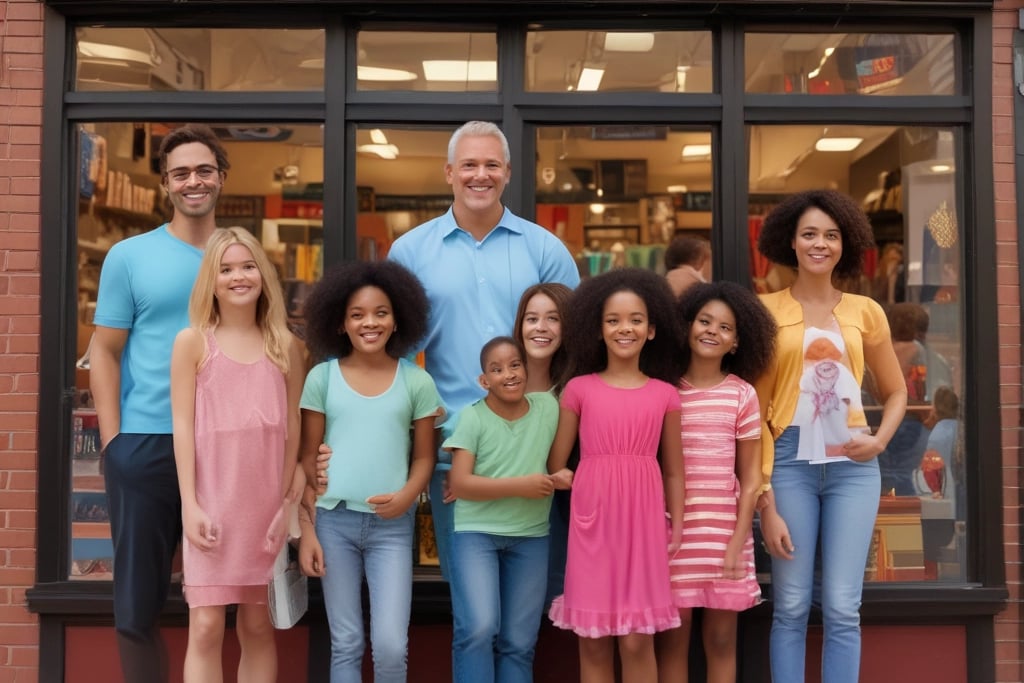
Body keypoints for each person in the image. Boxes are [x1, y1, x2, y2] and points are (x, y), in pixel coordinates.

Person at [387, 120, 580, 580]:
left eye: (492, 165)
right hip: (456, 449)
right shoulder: (410, 252)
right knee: (471, 603)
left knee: (537, 600)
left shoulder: (545, 249)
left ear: (508, 173)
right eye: (469, 165)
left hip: (538, 448)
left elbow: (576, 344)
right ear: (449, 172)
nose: (480, 175)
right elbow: (392, 354)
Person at [90, 123, 229, 682]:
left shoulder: (238, 255)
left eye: (204, 170)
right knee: (137, 604)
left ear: (221, 177)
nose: (194, 182)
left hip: (223, 444)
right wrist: (114, 444)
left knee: (222, 600)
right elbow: (104, 352)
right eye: (181, 173)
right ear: (166, 184)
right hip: (146, 443)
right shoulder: (129, 256)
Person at [753, 189, 907, 683]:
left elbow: (897, 391)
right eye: (810, 234)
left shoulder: (866, 311)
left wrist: (879, 441)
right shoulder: (764, 311)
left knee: (842, 607)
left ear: (845, 243)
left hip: (853, 465)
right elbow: (755, 412)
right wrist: (765, 500)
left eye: (831, 235)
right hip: (788, 462)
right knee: (791, 605)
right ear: (791, 242)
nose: (820, 244)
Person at [296, 260, 444, 683]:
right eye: (357, 314)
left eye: (381, 313)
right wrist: (307, 530)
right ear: (340, 323)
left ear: (398, 320)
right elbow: (307, 459)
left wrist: (406, 497)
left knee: (392, 645)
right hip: (333, 523)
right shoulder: (322, 378)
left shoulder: (417, 381)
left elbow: (424, 457)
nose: (370, 323)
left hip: (392, 528)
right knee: (346, 642)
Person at [169, 227, 305, 683]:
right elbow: (182, 428)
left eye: (248, 266)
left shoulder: (285, 345)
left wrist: (284, 507)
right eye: (226, 269)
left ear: (263, 275)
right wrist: (189, 505)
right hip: (211, 507)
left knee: (258, 625)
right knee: (206, 627)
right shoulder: (192, 343)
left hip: (264, 510)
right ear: (211, 280)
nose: (238, 277)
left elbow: (293, 430)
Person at [547, 268, 686, 682]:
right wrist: (566, 478)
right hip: (593, 523)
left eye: (635, 320)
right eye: (613, 320)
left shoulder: (665, 394)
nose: (625, 328)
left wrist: (677, 522)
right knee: (593, 638)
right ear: (598, 329)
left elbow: (674, 470)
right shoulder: (579, 389)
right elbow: (557, 461)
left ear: (652, 330)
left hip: (645, 522)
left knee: (637, 639)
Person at [656, 281, 776, 683]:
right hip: (673, 534)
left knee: (723, 640)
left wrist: (738, 540)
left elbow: (751, 477)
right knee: (673, 640)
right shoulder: (665, 391)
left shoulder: (742, 395)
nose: (712, 331)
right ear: (687, 326)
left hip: (726, 534)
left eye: (725, 327)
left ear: (737, 341)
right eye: (704, 321)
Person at [444, 336, 561, 682]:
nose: (508, 374)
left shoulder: (548, 407)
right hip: (475, 535)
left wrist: (564, 475)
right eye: (497, 370)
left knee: (520, 642)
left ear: (526, 369)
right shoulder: (471, 418)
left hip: (531, 537)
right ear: (484, 380)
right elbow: (460, 483)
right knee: (478, 629)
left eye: (515, 365)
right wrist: (521, 486)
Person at [512, 282, 574, 605]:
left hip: (557, 521)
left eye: (553, 318)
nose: (541, 327)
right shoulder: (500, 381)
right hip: (501, 515)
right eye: (532, 318)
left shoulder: (574, 389)